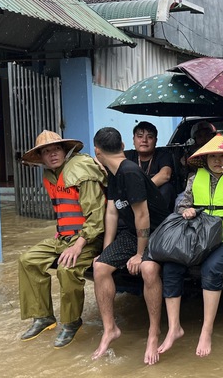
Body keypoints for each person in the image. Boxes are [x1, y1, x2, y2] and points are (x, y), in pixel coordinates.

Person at [151, 135, 223, 358]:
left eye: (222, 155)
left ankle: (206, 330)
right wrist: (186, 211)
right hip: (201, 237)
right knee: (172, 267)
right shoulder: (195, 178)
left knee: (210, 269)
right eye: (212, 156)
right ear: (205, 159)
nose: (217, 160)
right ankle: (174, 328)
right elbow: (182, 203)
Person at [18, 130, 106, 349]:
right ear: (42, 158)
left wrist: (77, 246)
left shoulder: (81, 169)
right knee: (27, 260)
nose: (52, 155)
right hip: (63, 238)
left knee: (67, 270)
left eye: (55, 149)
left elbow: (96, 216)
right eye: (46, 152)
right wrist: (63, 240)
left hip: (89, 238)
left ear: (64, 150)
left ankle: (71, 321)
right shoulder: (50, 175)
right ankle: (43, 316)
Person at [91, 127, 171, 364]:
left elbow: (143, 216)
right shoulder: (114, 171)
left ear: (97, 151)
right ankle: (110, 329)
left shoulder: (130, 172)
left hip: (158, 232)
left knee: (148, 269)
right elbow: (112, 212)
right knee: (100, 268)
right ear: (123, 144)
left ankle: (153, 333)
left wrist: (139, 254)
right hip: (133, 232)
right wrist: (106, 251)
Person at [124, 121, 176, 209]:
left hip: (156, 202)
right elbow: (107, 158)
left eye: (150, 137)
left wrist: (141, 190)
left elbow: (165, 175)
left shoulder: (163, 155)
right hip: (133, 201)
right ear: (133, 140)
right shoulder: (128, 156)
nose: (144, 140)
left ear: (155, 141)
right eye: (140, 136)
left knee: (167, 188)